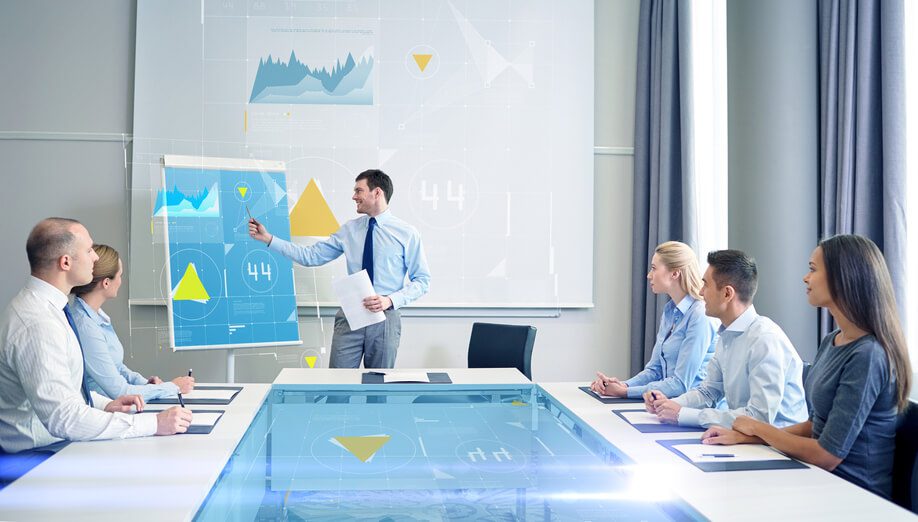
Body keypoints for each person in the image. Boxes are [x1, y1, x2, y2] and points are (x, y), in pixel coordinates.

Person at [701, 235, 912, 499]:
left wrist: (758, 429)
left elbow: (827, 455)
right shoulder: (832, 341)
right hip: (814, 476)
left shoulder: (868, 355)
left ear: (842, 277)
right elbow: (815, 425)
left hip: (852, 494)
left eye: (813, 269)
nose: (805, 278)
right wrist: (747, 437)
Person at [0, 218, 192, 455]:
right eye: (89, 250)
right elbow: (63, 417)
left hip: (54, 445)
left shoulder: (51, 309)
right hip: (36, 458)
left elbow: (62, 390)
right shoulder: (37, 324)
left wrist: (104, 404)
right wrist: (153, 424)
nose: (96, 258)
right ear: (66, 262)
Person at [249, 169, 430, 369]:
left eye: (359, 191)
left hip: (385, 320)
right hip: (351, 315)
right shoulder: (349, 230)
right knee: (337, 384)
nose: (354, 196)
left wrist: (390, 300)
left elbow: (422, 280)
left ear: (377, 192)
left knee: (379, 387)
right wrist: (269, 239)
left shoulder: (407, 233)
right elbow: (310, 256)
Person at [646, 249, 808, 428]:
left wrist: (683, 414)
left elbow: (759, 418)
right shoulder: (726, 335)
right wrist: (673, 405)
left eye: (706, 285)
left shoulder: (764, 340)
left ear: (727, 294)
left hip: (776, 448)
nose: (700, 292)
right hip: (746, 439)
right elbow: (708, 391)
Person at [590, 241, 716, 399]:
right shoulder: (670, 311)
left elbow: (680, 384)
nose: (649, 275)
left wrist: (625, 392)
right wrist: (623, 385)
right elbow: (654, 370)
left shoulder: (700, 316)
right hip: (670, 405)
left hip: (696, 411)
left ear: (675, 273)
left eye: (654, 268)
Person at [70, 244, 194, 401]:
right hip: (104, 411)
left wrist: (144, 383)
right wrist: (173, 387)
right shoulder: (85, 327)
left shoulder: (95, 316)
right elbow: (120, 392)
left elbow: (117, 367)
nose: (121, 281)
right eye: (120, 275)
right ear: (106, 282)